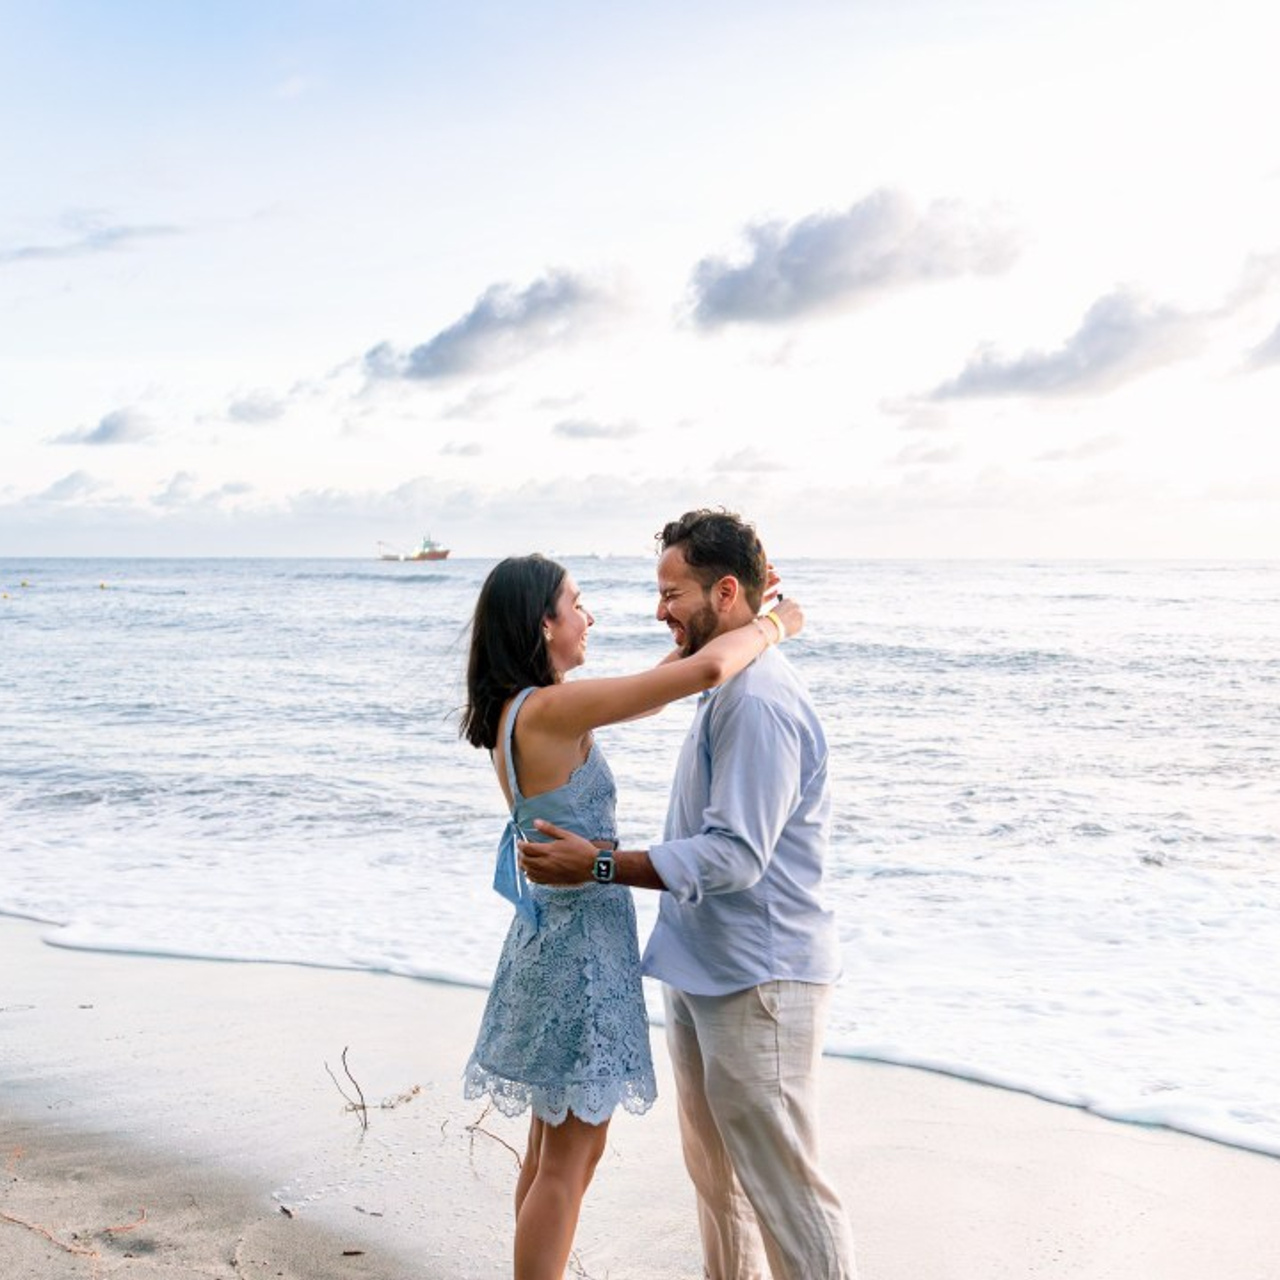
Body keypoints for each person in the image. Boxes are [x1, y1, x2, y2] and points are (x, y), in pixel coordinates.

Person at [520, 509, 856, 1280]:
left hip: (759, 978)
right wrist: (772, 627)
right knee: (718, 1187)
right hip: (704, 968)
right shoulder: (729, 682)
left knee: (787, 1193)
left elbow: (734, 856)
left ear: (727, 592)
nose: (659, 610)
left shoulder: (758, 700)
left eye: (672, 593)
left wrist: (600, 864)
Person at [459, 550, 804, 1280]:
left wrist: (702, 629)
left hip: (545, 941)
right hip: (580, 952)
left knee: (549, 1151)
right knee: (570, 1159)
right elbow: (704, 677)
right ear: (542, 625)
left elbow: (654, 693)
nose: (591, 616)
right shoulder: (549, 709)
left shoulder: (521, 712)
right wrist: (774, 625)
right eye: (577, 603)